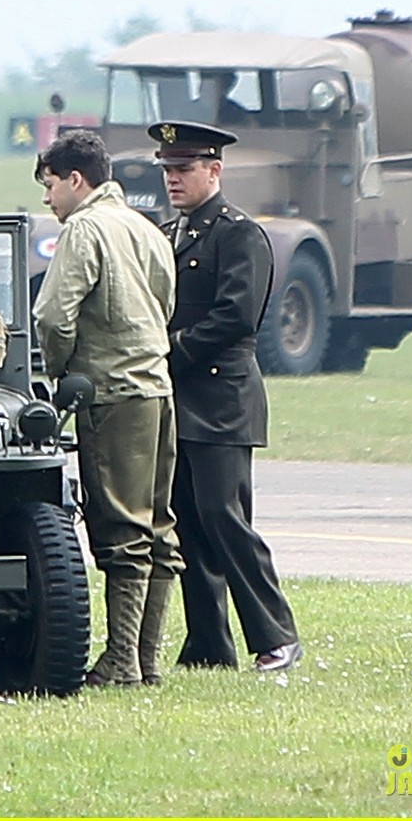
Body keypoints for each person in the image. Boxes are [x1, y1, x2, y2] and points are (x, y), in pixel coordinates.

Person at [149, 119, 303, 672]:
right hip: (180, 401)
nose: (174, 179)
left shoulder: (239, 234)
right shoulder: (173, 233)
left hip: (220, 400)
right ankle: (209, 644)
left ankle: (275, 634)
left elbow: (236, 317)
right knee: (188, 526)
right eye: (167, 169)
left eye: (184, 169)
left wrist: (169, 352)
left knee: (225, 519)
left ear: (214, 170)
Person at [32, 130, 184, 687]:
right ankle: (146, 659)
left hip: (112, 392)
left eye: (51, 185)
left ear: (76, 180)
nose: (48, 199)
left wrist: (55, 373)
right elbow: (166, 303)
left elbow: (53, 316)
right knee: (159, 528)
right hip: (158, 388)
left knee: (121, 530)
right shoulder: (146, 228)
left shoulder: (84, 229)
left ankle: (121, 659)